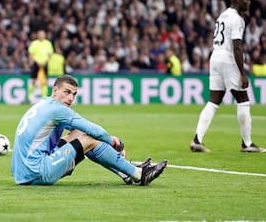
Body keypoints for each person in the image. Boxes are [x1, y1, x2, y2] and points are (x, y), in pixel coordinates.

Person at [11, 75, 168, 185]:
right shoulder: (58, 110)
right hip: (38, 171)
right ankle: (139, 175)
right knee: (90, 139)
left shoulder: (44, 104)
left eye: (74, 94)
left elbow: (79, 130)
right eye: (67, 92)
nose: (71, 98)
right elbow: (95, 131)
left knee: (80, 134)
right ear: (55, 91)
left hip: (22, 173)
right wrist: (113, 141)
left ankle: (126, 172)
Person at [190, 0, 266, 153]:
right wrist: (242, 73)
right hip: (228, 57)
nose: (249, 2)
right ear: (237, 0)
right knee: (243, 98)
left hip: (215, 56)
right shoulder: (237, 18)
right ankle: (247, 143)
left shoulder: (223, 15)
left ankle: (197, 139)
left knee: (213, 101)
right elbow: (237, 47)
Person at [27, 29, 54, 103]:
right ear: (37, 35)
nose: (41, 35)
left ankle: (44, 98)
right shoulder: (34, 43)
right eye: (40, 34)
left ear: (45, 35)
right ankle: (29, 98)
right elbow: (31, 54)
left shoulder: (48, 43)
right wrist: (37, 62)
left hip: (45, 64)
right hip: (36, 64)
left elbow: (50, 55)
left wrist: (45, 62)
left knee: (44, 81)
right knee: (33, 80)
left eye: (42, 34)